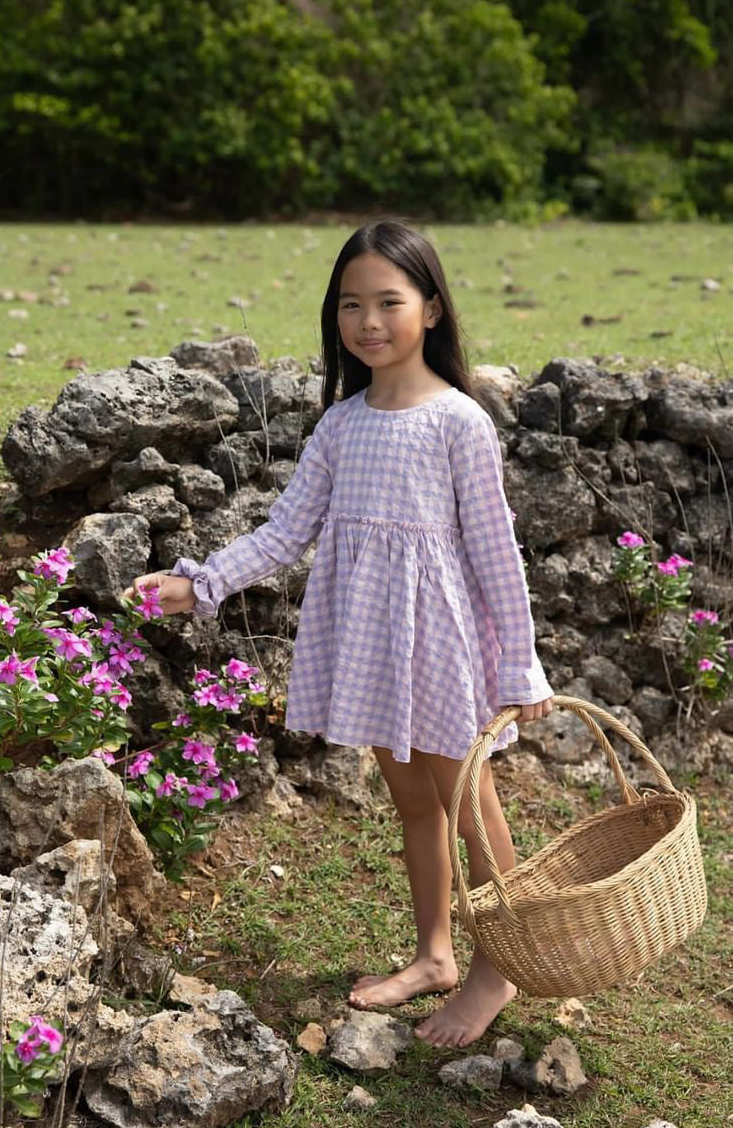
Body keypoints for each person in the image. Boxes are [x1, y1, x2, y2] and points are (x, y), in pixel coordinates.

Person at [125, 218, 554, 1048]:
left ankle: (498, 966)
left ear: (429, 310)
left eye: (388, 302)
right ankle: (434, 953)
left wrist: (520, 667)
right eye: (350, 304)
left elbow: (496, 553)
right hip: (373, 646)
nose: (368, 321)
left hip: (439, 648)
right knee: (413, 805)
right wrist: (199, 582)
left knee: (469, 805)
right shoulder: (341, 424)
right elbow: (285, 531)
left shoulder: (458, 421)